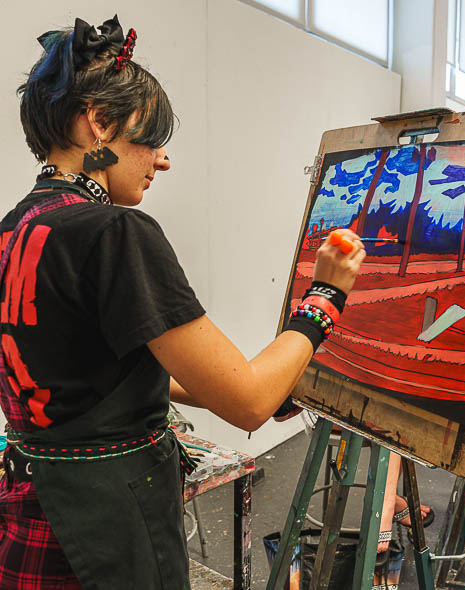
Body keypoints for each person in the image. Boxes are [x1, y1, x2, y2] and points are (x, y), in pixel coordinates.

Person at [0, 15, 365, 589]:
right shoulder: (116, 233)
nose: (161, 160)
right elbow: (247, 404)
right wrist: (325, 296)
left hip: (30, 517)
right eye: (148, 140)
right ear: (99, 123)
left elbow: (90, 374)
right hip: (107, 536)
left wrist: (234, 388)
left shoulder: (13, 229)